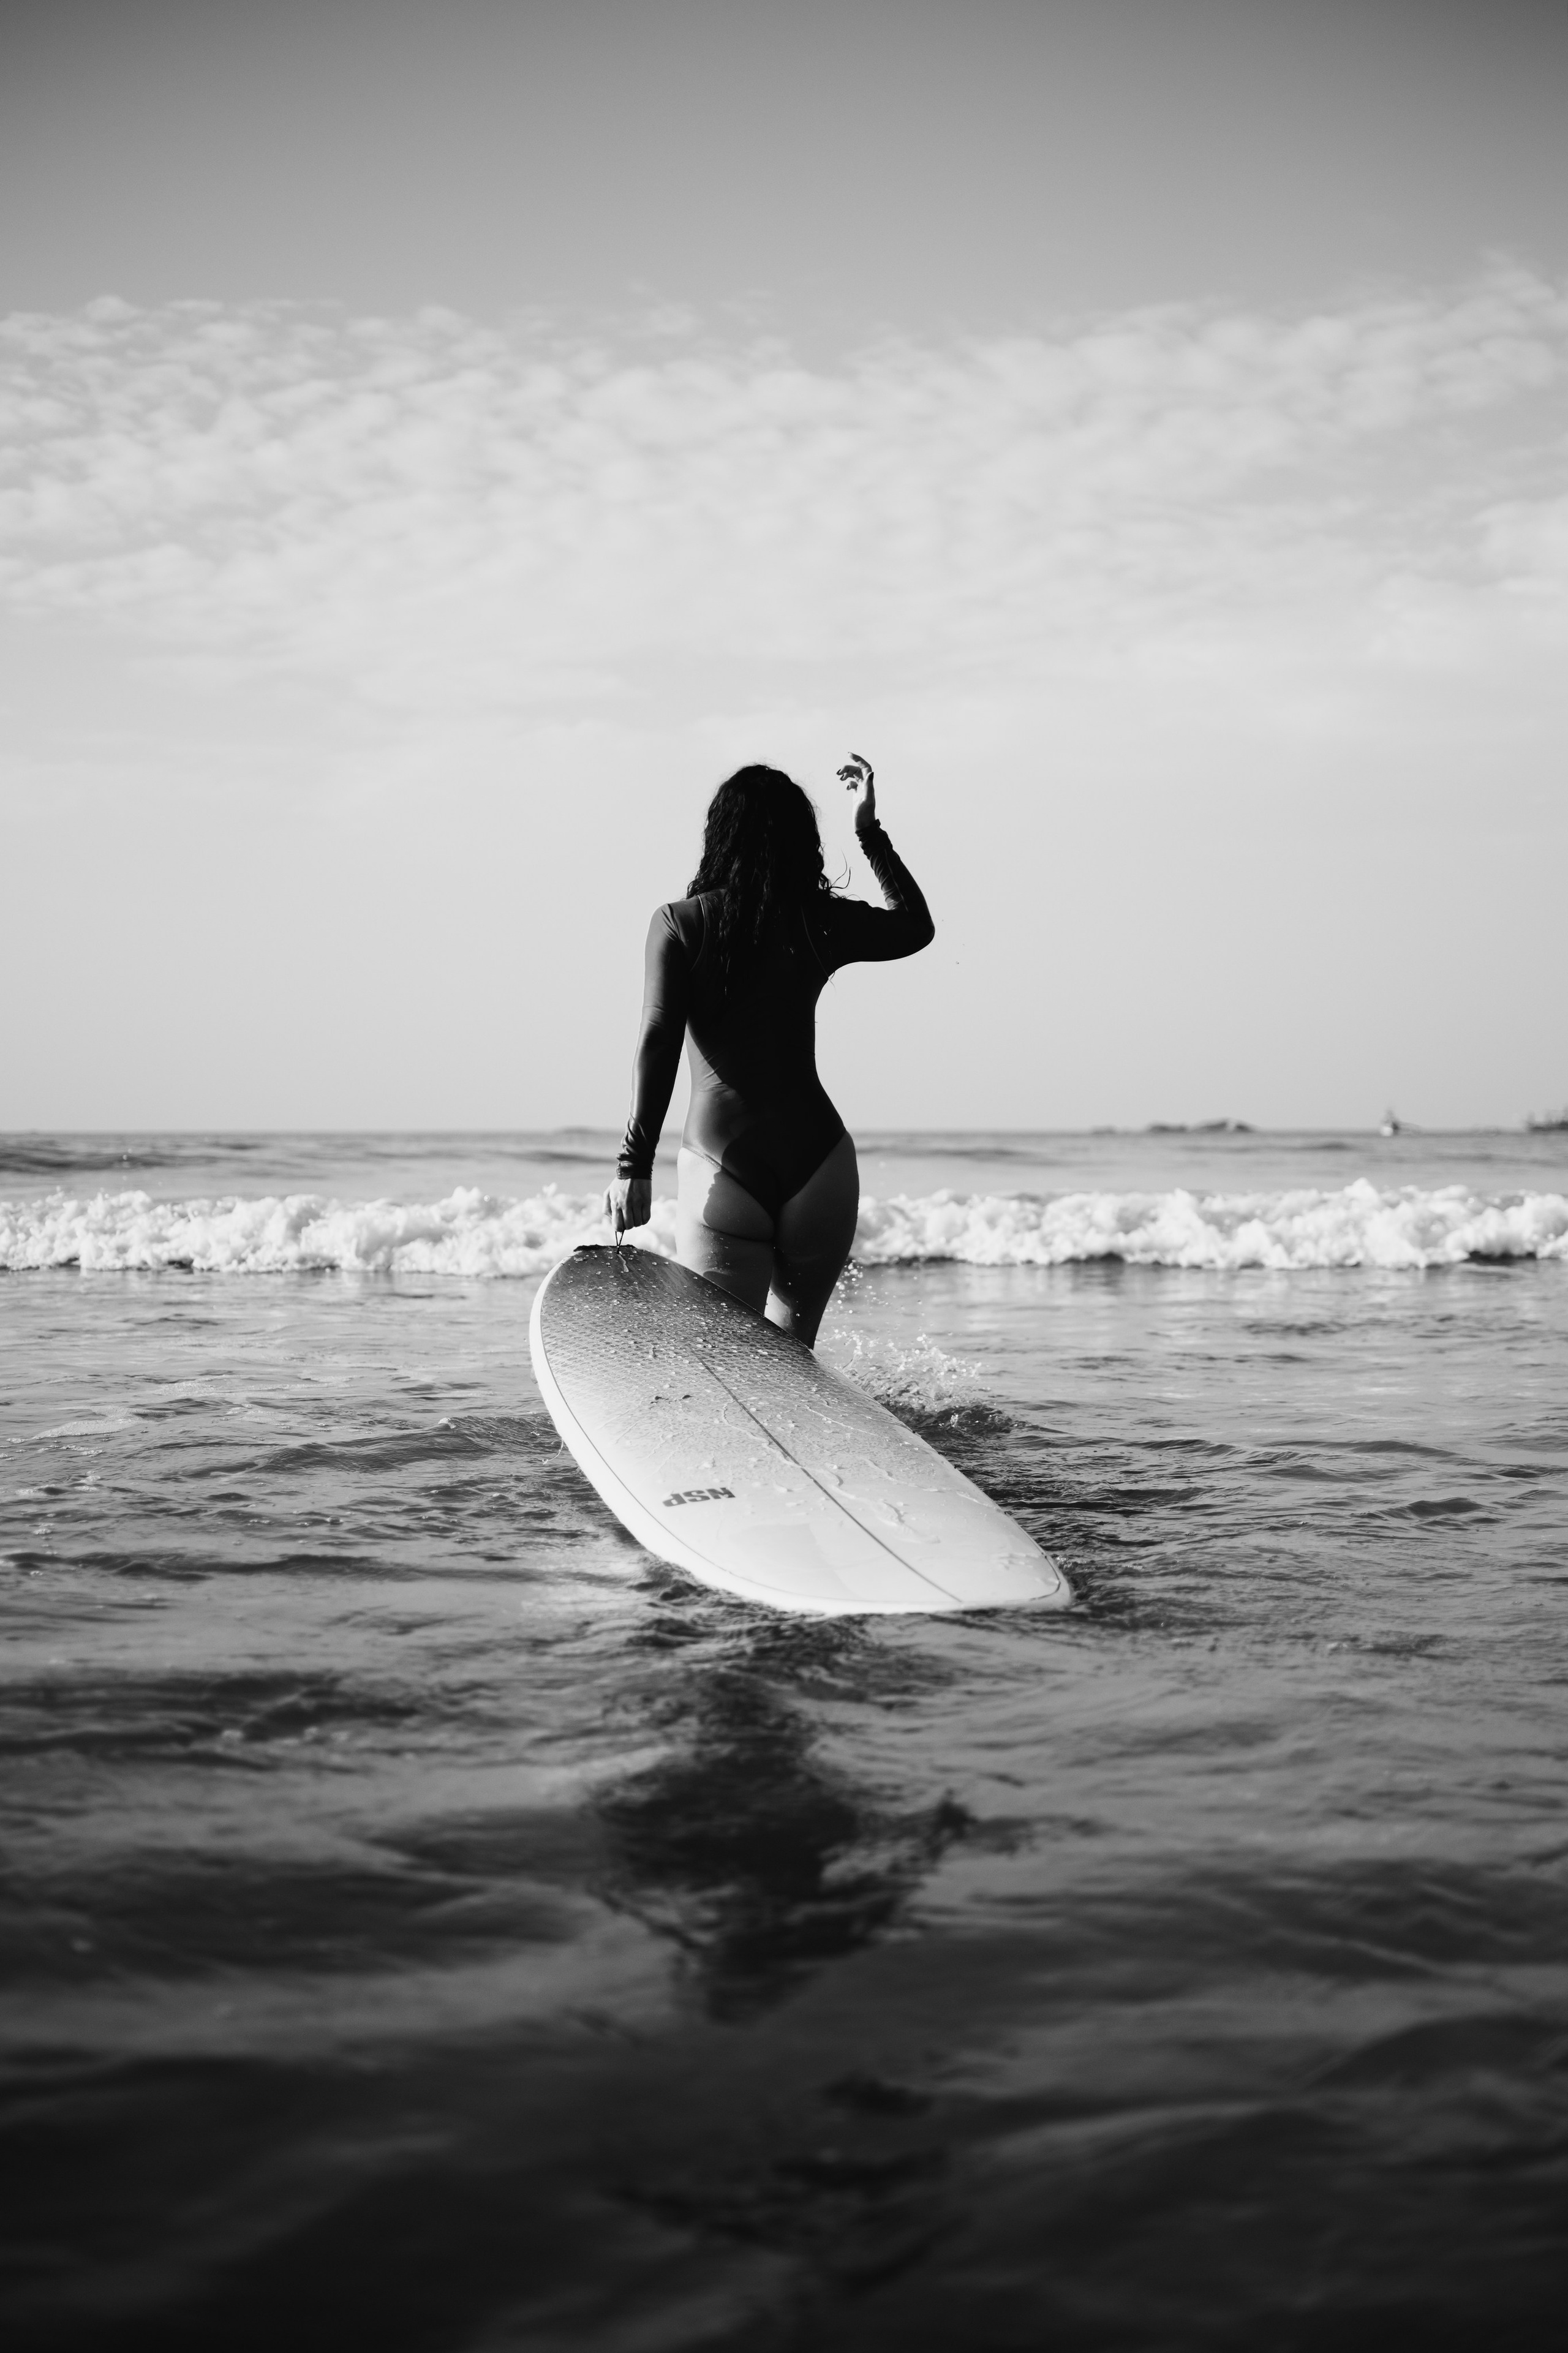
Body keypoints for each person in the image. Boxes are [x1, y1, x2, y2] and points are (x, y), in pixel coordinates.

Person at [603, 756, 934, 1347]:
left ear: (718, 836)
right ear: (801, 841)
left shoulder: (680, 924)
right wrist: (869, 833)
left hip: (723, 1166)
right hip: (822, 1165)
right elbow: (914, 927)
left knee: (732, 1366)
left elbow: (658, 1037)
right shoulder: (820, 922)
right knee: (792, 1362)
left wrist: (634, 1167)